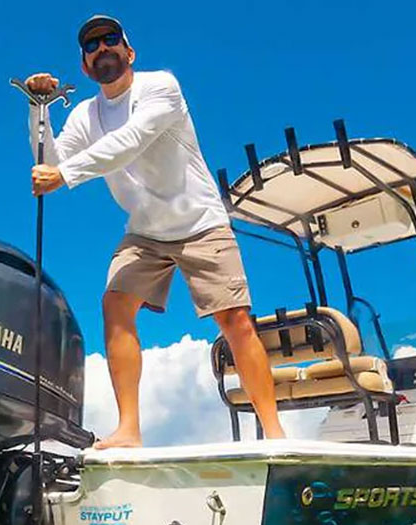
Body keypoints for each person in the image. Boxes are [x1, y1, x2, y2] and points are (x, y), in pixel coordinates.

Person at [24, 14, 285, 448]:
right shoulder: (86, 115)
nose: (102, 48)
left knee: (234, 320)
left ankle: (275, 433)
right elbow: (49, 159)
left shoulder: (161, 86)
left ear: (130, 52)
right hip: (145, 231)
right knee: (115, 304)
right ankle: (129, 430)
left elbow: (130, 140)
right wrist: (38, 108)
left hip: (200, 221)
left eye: (111, 40)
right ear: (86, 67)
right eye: (92, 46)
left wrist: (66, 174)